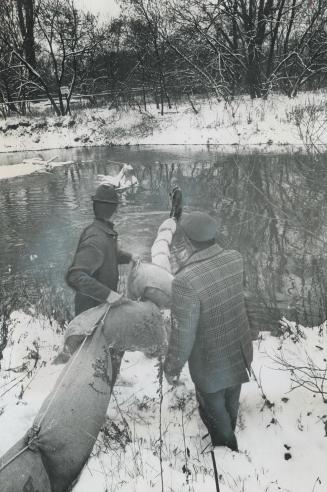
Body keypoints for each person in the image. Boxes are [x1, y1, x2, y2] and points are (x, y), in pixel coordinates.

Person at [164, 211, 253, 452]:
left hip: (210, 362)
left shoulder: (184, 281)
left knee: (215, 412)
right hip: (238, 349)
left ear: (189, 242)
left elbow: (183, 335)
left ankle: (227, 454)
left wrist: (171, 368)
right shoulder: (236, 258)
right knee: (230, 400)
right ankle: (228, 438)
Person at [66, 184, 135, 385]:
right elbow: (76, 276)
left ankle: (108, 380)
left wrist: (130, 257)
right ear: (114, 209)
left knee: (111, 345)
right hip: (91, 309)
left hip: (101, 306)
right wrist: (108, 295)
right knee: (91, 353)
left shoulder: (102, 232)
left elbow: (109, 256)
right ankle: (97, 387)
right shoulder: (97, 238)